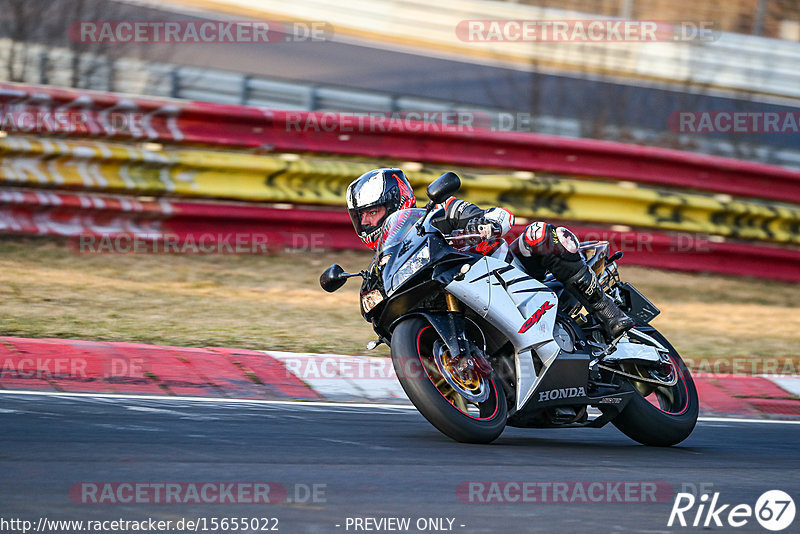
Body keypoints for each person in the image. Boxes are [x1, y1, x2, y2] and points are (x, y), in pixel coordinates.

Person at [346, 168, 634, 340]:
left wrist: (485, 222)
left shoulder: (435, 215)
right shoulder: (385, 265)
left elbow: (486, 214)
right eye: (362, 217)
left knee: (539, 235)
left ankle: (608, 311)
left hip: (515, 277)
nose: (369, 222)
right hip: (469, 306)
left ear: (398, 201)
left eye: (374, 212)